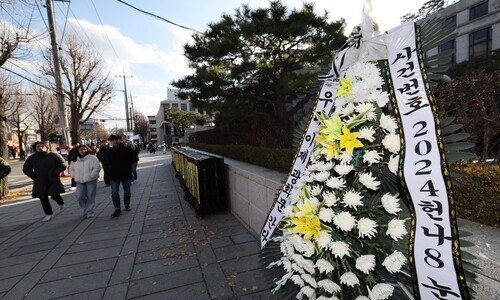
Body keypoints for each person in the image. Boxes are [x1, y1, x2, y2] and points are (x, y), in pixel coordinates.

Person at [23, 141, 66, 222]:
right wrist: (33, 175)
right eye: (38, 146)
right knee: (43, 197)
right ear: (35, 148)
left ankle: (61, 203)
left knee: (54, 194)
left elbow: (63, 165)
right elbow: (26, 169)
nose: (40, 147)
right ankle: (48, 213)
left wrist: (55, 172)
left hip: (52, 179)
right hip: (39, 180)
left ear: (46, 147)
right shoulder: (32, 158)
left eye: (42, 146)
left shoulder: (53, 155)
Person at [69, 145, 101, 218]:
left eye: (84, 149)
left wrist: (92, 175)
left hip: (91, 179)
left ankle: (89, 211)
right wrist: (74, 175)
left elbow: (97, 167)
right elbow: (71, 169)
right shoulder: (74, 159)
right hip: (79, 180)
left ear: (87, 150)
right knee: (80, 196)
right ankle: (85, 209)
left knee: (90, 196)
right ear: (78, 150)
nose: (83, 151)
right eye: (81, 149)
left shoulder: (92, 158)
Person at [107, 134, 135, 217]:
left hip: (126, 174)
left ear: (120, 140)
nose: (115, 141)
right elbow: (106, 162)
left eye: (116, 139)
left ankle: (127, 204)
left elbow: (132, 160)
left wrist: (130, 169)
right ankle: (117, 208)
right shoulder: (109, 151)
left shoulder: (126, 149)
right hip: (114, 175)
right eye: (113, 140)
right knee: (114, 192)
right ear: (111, 142)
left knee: (127, 191)